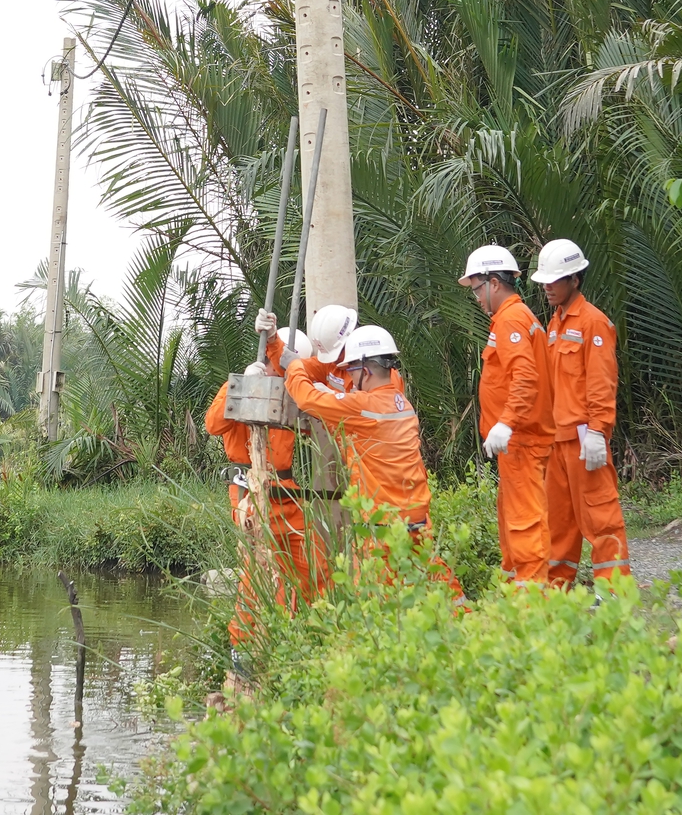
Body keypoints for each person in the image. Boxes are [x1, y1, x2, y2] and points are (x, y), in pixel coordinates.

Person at [283, 320, 454, 592]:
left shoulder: (363, 406)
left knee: (375, 595)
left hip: (384, 521)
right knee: (432, 584)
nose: (349, 375)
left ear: (364, 370)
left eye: (351, 369)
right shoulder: (402, 403)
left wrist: (293, 366)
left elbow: (307, 399)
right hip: (417, 516)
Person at [202, 315, 315, 654]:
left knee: (306, 564)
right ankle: (245, 646)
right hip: (248, 488)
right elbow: (212, 424)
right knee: (259, 568)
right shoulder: (241, 386)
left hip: (286, 488)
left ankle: (297, 634)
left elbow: (310, 424)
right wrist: (242, 388)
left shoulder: (292, 391)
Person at [533, 238, 629, 586]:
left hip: (582, 438)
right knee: (558, 523)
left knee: (600, 516)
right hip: (558, 441)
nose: (548, 287)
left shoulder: (593, 323)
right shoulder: (555, 324)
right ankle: (557, 588)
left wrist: (598, 432)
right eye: (545, 281)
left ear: (575, 279)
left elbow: (602, 382)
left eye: (554, 280)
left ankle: (615, 589)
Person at [461, 243, 551, 585]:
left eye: (476, 289)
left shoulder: (512, 319)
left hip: (522, 439)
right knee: (513, 513)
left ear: (493, 282)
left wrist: (506, 423)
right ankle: (520, 584)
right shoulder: (512, 318)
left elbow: (525, 376)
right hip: (520, 439)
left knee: (525, 518)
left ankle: (533, 596)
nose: (477, 298)